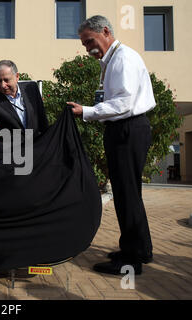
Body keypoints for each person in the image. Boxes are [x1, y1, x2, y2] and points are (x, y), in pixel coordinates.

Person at [67, 15, 156, 275]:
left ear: (105, 31)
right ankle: (140, 249)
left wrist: (87, 111)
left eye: (89, 41)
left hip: (128, 129)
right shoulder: (114, 59)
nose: (87, 49)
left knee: (127, 195)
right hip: (126, 129)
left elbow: (123, 103)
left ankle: (131, 260)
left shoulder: (123, 59)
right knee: (129, 193)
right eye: (84, 45)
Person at [0, 60, 49, 148]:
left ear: (17, 76)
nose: (3, 85)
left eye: (6, 80)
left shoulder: (31, 88)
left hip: (36, 148)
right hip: (10, 153)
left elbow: (42, 119)